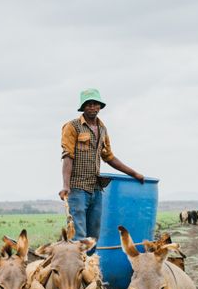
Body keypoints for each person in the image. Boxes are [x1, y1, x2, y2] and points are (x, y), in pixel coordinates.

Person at [58, 88, 145, 239]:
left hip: (96, 189)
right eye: (88, 104)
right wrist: (66, 185)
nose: (92, 107)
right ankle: (80, 262)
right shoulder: (72, 127)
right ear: (83, 107)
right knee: (79, 236)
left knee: (93, 237)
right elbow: (67, 156)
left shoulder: (102, 129)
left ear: (100, 106)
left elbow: (109, 157)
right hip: (77, 188)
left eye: (95, 103)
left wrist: (134, 173)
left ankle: (91, 262)